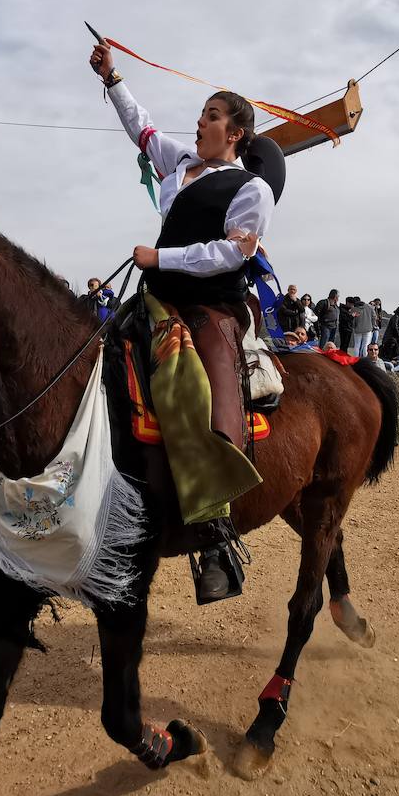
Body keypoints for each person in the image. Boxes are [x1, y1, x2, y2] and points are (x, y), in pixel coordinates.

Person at [94, 37, 272, 602]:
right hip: (158, 296)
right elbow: (141, 128)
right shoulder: (181, 163)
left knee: (196, 386)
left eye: (211, 117)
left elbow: (231, 254)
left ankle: (215, 535)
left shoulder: (252, 188)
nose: (200, 125)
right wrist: (112, 78)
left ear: (235, 132)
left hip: (212, 305)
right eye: (200, 116)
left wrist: (160, 257)